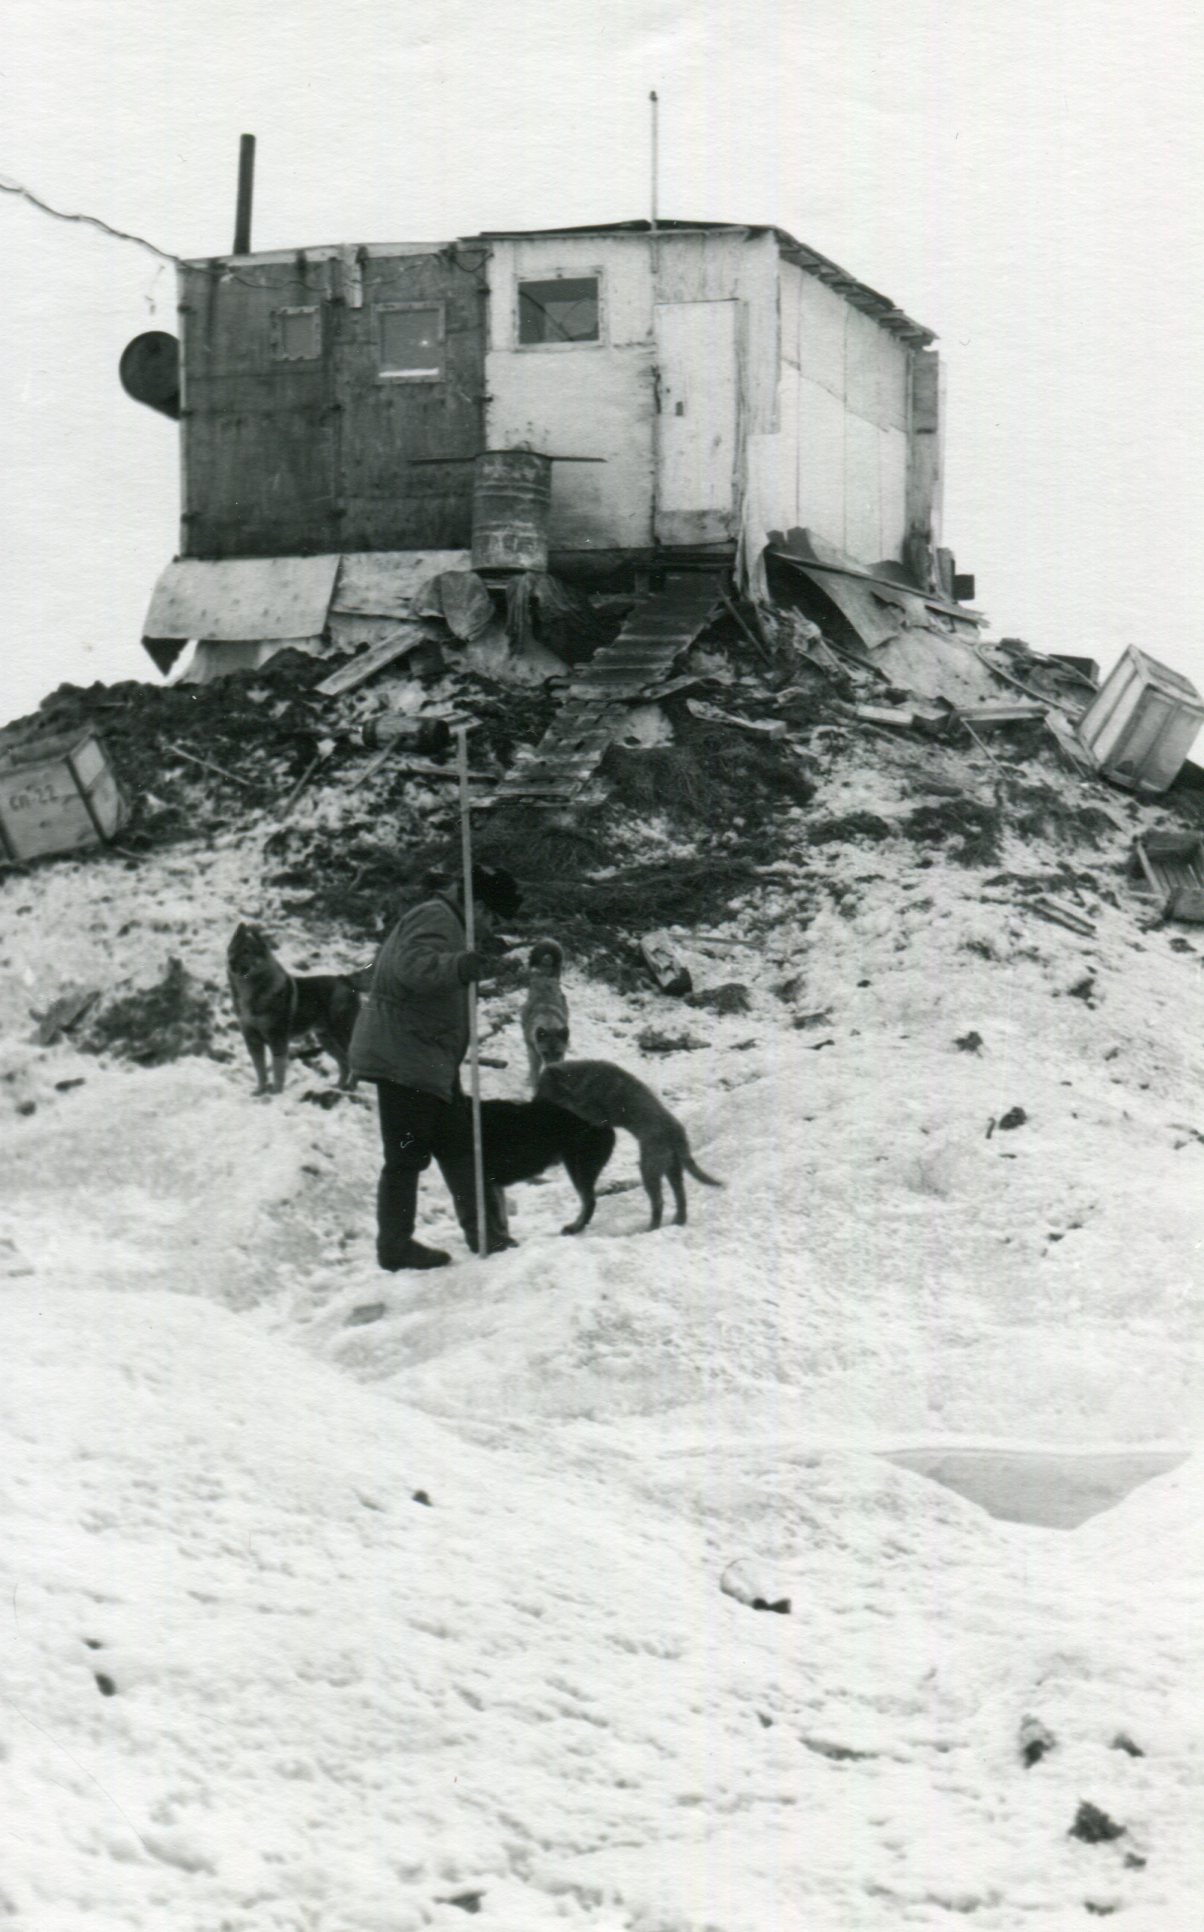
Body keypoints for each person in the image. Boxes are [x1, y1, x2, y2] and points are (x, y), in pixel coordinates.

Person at [350, 863, 522, 1270]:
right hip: (404, 1056)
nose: (491, 928)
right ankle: (395, 1247)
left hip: (427, 1057)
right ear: (478, 906)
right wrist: (458, 966)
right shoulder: (436, 918)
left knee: (459, 1145)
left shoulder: (448, 920)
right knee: (406, 1155)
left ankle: (486, 1234)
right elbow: (410, 968)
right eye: (493, 919)